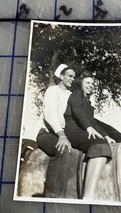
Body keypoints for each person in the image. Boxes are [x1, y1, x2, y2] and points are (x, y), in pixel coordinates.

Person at [64, 71, 116, 200]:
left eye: (92, 84)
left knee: (104, 141)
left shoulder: (89, 104)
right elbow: (77, 111)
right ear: (80, 84)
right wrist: (88, 128)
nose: (91, 85)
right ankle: (88, 195)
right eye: (87, 83)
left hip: (84, 128)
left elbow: (93, 122)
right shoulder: (76, 94)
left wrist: (106, 136)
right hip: (73, 129)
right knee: (100, 145)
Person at [36, 63, 76, 197]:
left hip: (64, 134)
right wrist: (61, 135)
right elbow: (50, 114)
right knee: (63, 150)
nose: (72, 79)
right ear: (61, 77)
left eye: (74, 77)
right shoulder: (53, 90)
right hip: (48, 133)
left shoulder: (72, 95)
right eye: (70, 76)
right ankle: (53, 196)